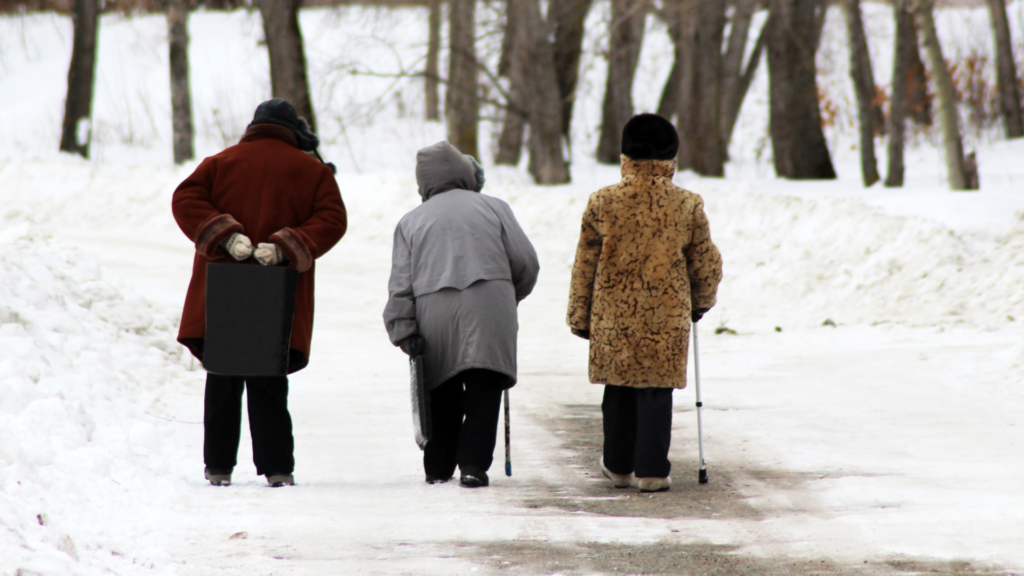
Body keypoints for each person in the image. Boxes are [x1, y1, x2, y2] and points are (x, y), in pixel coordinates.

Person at [172, 99, 347, 487]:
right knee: (269, 379)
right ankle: (278, 469)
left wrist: (224, 235)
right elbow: (333, 219)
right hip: (277, 285)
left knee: (222, 378)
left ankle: (218, 468)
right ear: (293, 131)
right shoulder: (313, 171)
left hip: (223, 284)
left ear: (254, 126)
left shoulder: (220, 163)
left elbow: (184, 199)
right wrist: (288, 245)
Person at [566, 113, 723, 493]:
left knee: (617, 387)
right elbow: (704, 264)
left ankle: (618, 465)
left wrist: (580, 316)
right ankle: (652, 469)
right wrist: (700, 303)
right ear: (672, 156)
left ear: (625, 155)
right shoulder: (687, 205)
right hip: (665, 318)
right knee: (655, 390)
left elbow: (585, 263)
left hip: (612, 316)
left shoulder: (603, 201)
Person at [384, 141, 539, 488]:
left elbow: (400, 285)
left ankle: (438, 466)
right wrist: (508, 296)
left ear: (423, 181)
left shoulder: (410, 222)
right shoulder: (495, 208)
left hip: (434, 314)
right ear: (466, 173)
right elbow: (526, 264)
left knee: (441, 388)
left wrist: (403, 329)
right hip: (491, 309)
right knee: (486, 387)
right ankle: (473, 465)